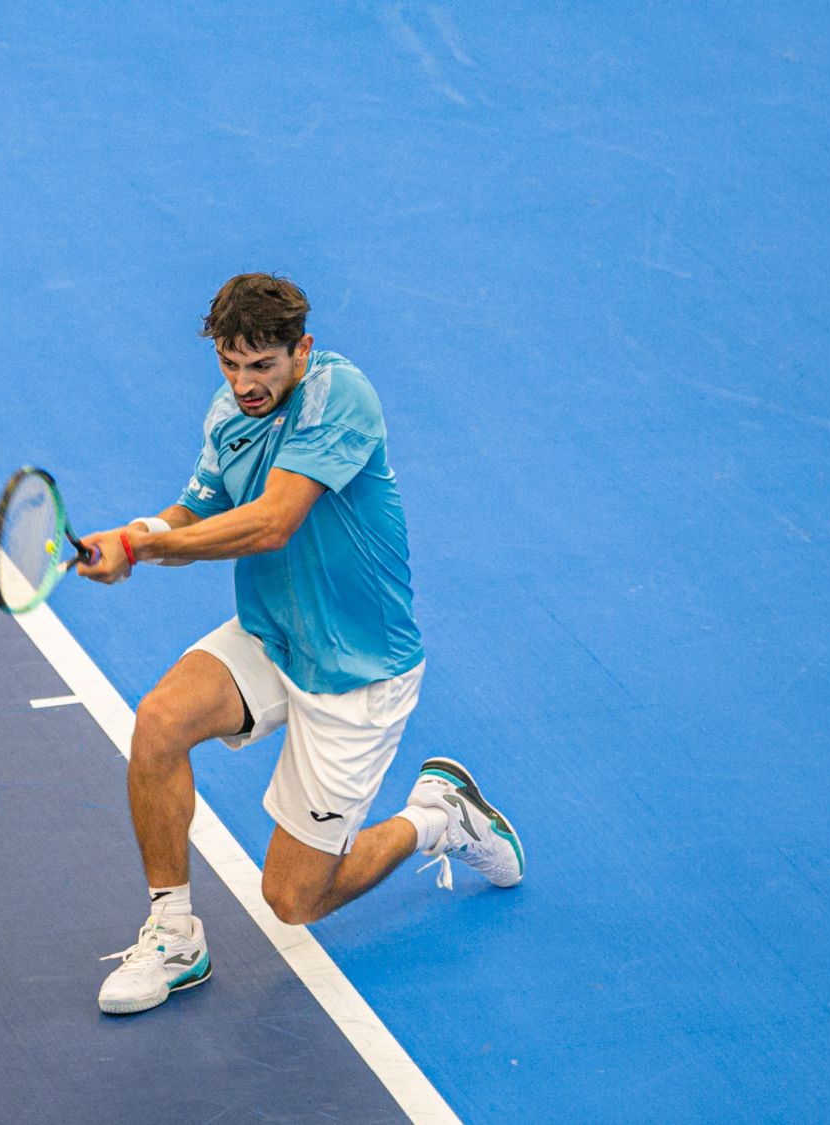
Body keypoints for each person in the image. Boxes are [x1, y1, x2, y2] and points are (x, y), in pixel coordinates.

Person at [79, 273, 525, 1016]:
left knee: (293, 898)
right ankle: (174, 933)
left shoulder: (341, 398)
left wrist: (141, 544)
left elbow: (271, 522)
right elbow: (195, 514)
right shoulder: (230, 414)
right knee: (159, 721)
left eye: (262, 366)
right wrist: (139, 537)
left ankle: (439, 816)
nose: (245, 383)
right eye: (230, 363)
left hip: (358, 671)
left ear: (302, 350)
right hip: (275, 636)